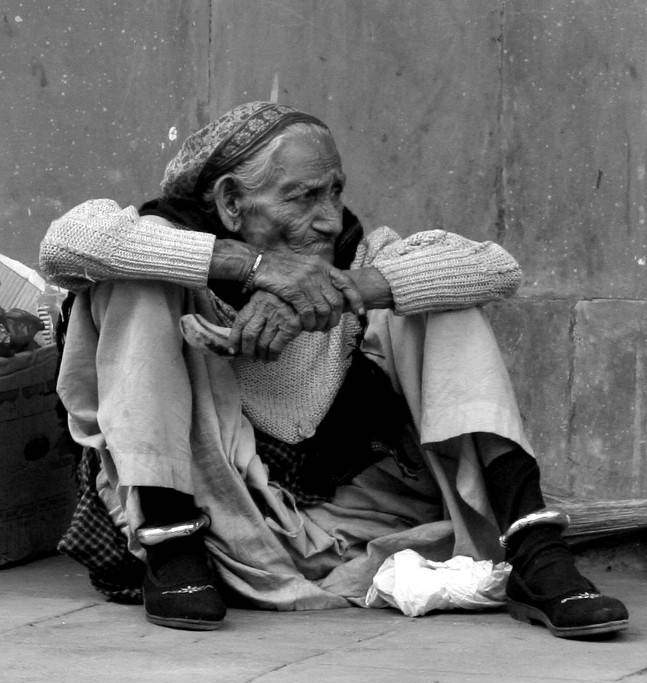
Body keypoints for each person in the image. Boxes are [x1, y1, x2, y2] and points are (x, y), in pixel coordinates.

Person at [40, 101, 628, 639]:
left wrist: (347, 290)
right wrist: (251, 267)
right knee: (133, 284)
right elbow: (65, 244)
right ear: (230, 202)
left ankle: (534, 546)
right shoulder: (170, 238)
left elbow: (496, 267)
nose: (328, 219)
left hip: (348, 529)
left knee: (438, 298)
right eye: (302, 198)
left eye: (335, 193)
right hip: (218, 527)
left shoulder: (355, 254)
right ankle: (169, 545)